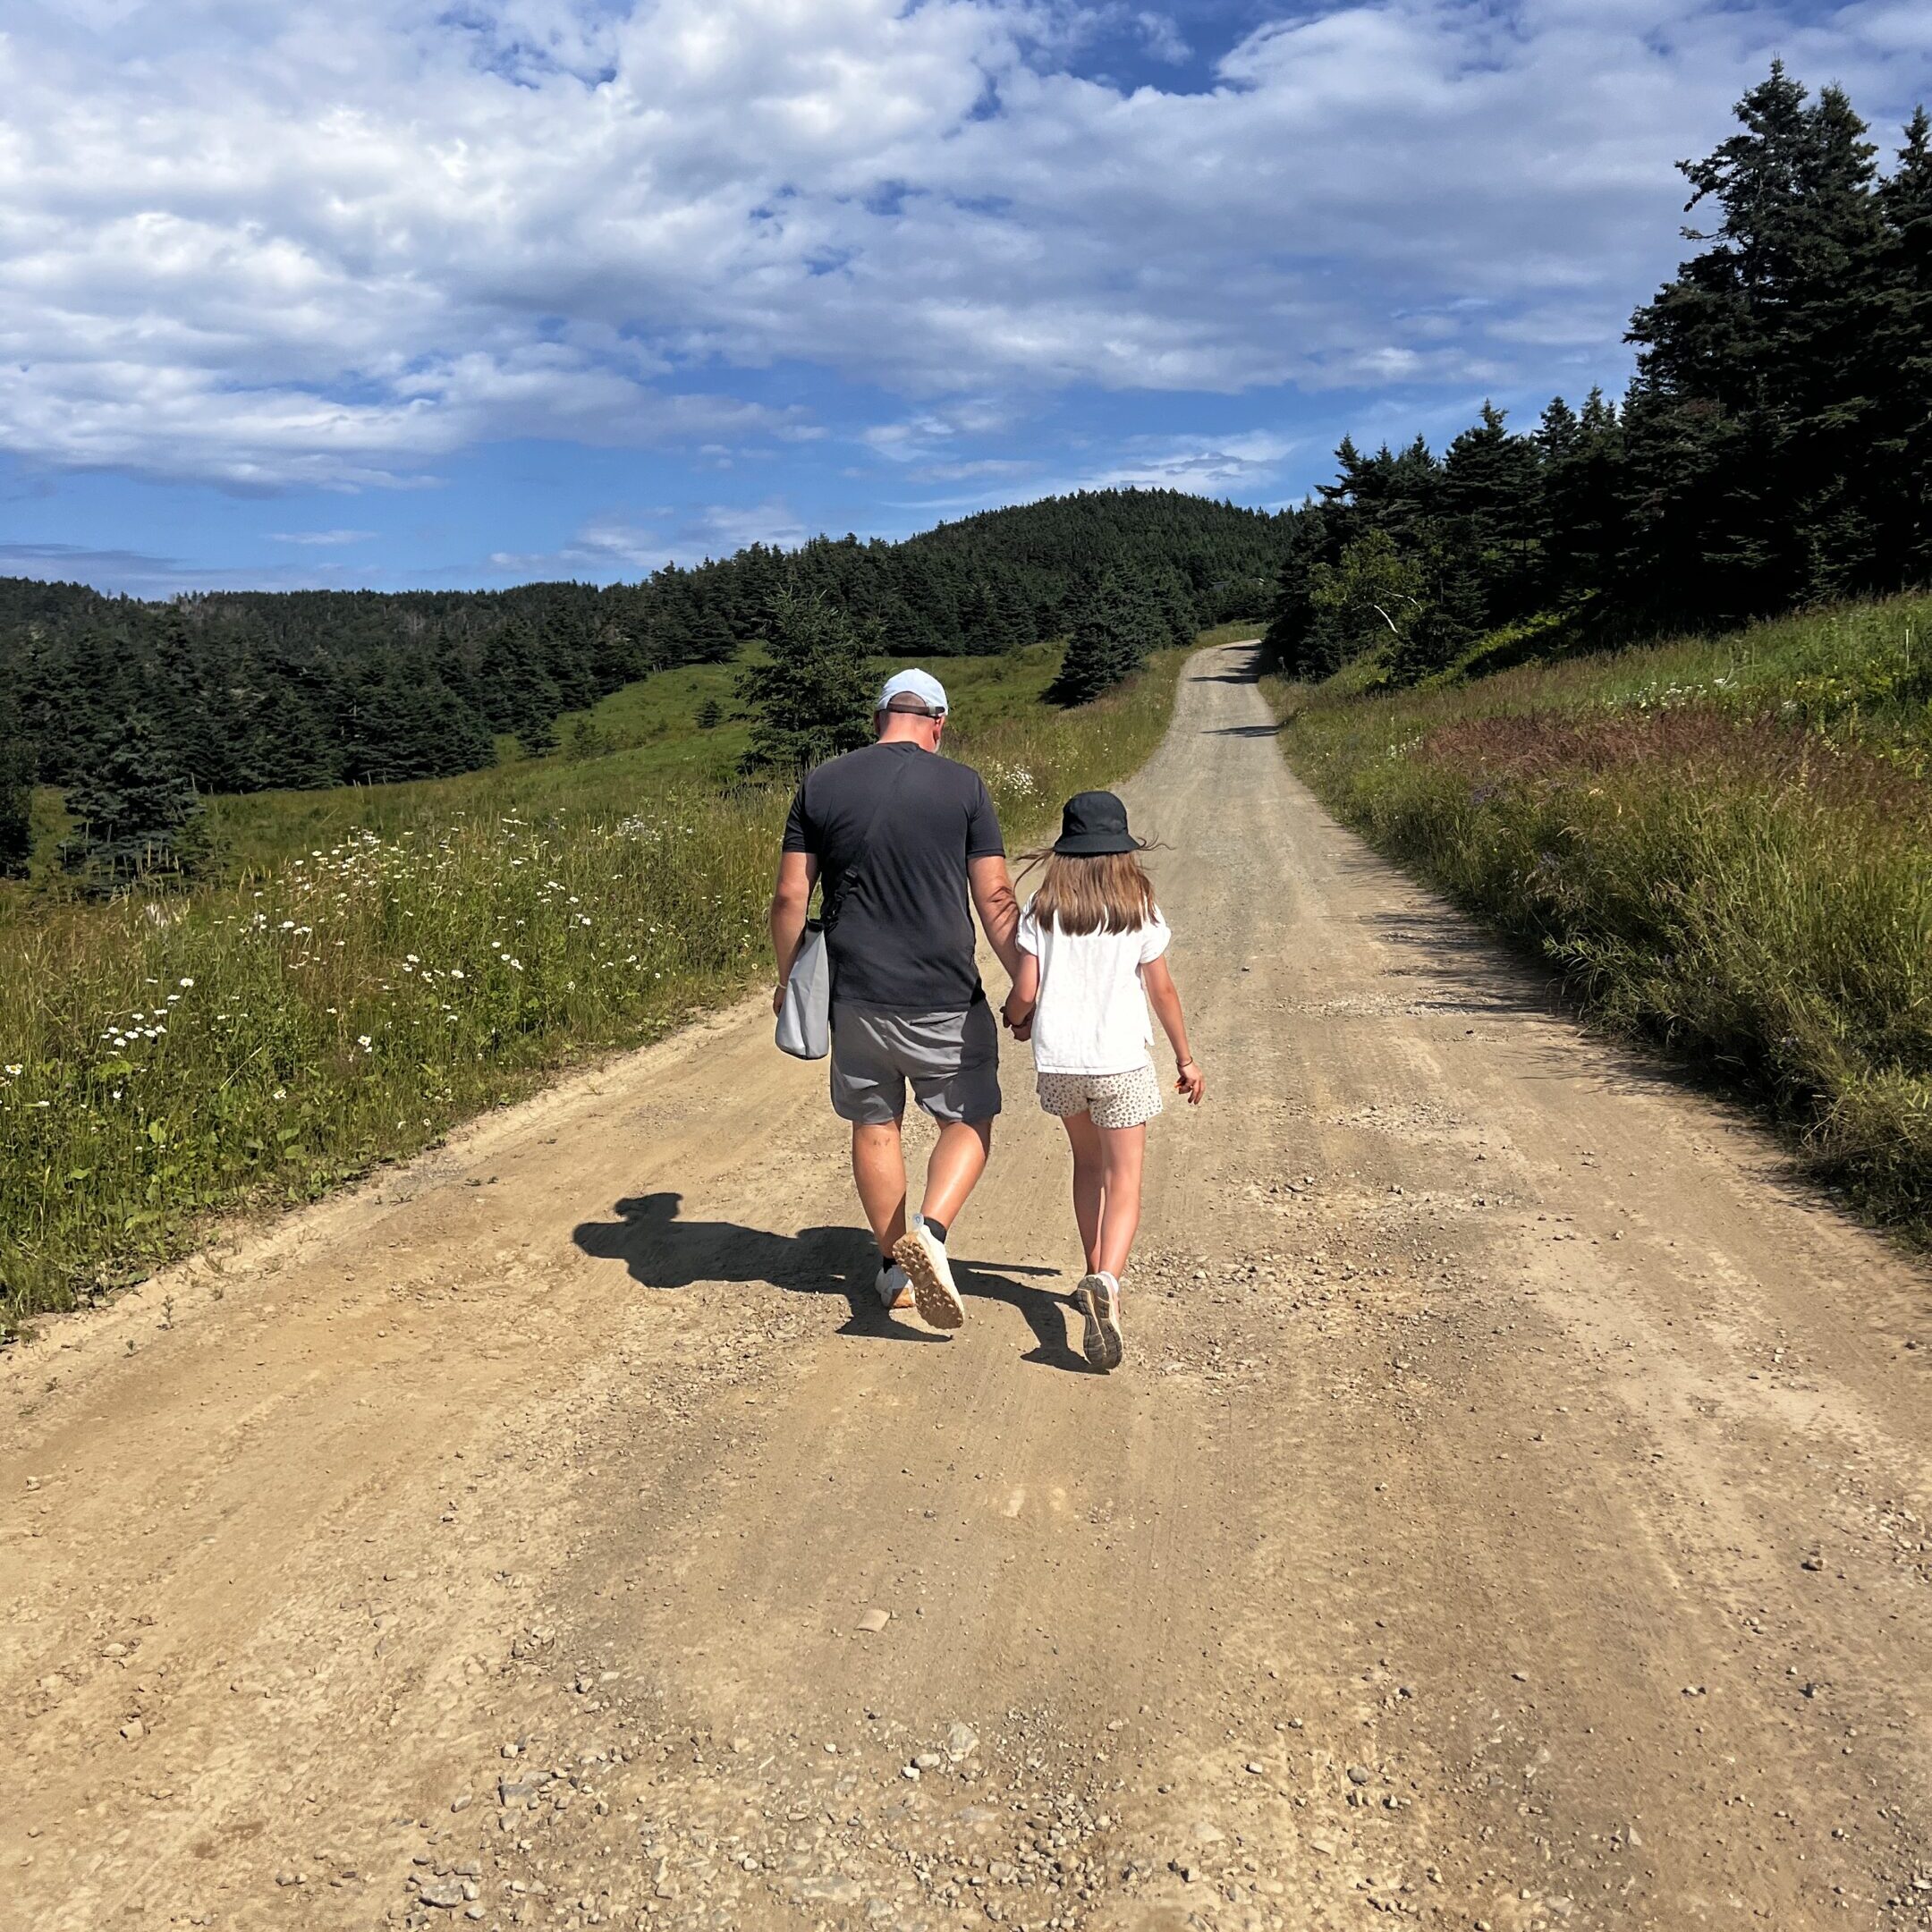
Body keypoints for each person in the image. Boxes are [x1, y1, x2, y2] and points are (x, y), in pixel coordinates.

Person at [769, 668, 1022, 1329]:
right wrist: (1027, 979)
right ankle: (930, 1234)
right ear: (938, 722)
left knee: (875, 1124)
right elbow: (995, 897)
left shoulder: (821, 783)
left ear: (878, 718)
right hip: (943, 992)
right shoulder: (964, 785)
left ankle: (892, 1270)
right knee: (967, 1119)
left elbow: (791, 896)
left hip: (855, 994)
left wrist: (790, 980)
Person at [1001, 791, 1204, 1371]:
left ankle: (1094, 1273)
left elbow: (1026, 991)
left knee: (1088, 1166)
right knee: (1125, 1180)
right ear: (1121, 848)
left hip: (1061, 1064)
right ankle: (1108, 1282)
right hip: (1120, 1063)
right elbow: (1162, 990)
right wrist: (1185, 1059)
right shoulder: (1138, 904)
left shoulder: (1042, 905)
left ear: (1066, 848)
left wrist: (1014, 1019)